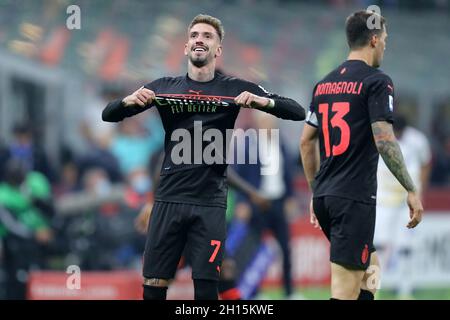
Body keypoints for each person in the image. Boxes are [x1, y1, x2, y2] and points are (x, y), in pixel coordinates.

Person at [102, 14, 305, 300]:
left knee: (209, 287)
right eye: (195, 35)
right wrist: (127, 102)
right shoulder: (164, 87)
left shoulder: (235, 88)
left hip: (209, 204)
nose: (200, 39)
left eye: (208, 36)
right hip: (168, 202)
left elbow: (297, 111)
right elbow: (108, 114)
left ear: (217, 50)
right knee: (154, 285)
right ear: (186, 47)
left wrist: (263, 101)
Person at [300, 10, 423, 300]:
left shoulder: (324, 84)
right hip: (353, 199)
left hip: (328, 196)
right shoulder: (377, 81)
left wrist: (316, 192)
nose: (384, 47)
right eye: (385, 40)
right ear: (374, 39)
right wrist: (411, 188)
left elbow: (306, 142)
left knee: (371, 270)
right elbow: (384, 140)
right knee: (344, 290)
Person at [374, 114, 431, 299]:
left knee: (406, 247)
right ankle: (375, 289)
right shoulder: (380, 138)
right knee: (379, 246)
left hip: (406, 201)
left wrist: (420, 191)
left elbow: (425, 163)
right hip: (383, 200)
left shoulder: (417, 140)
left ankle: (405, 290)